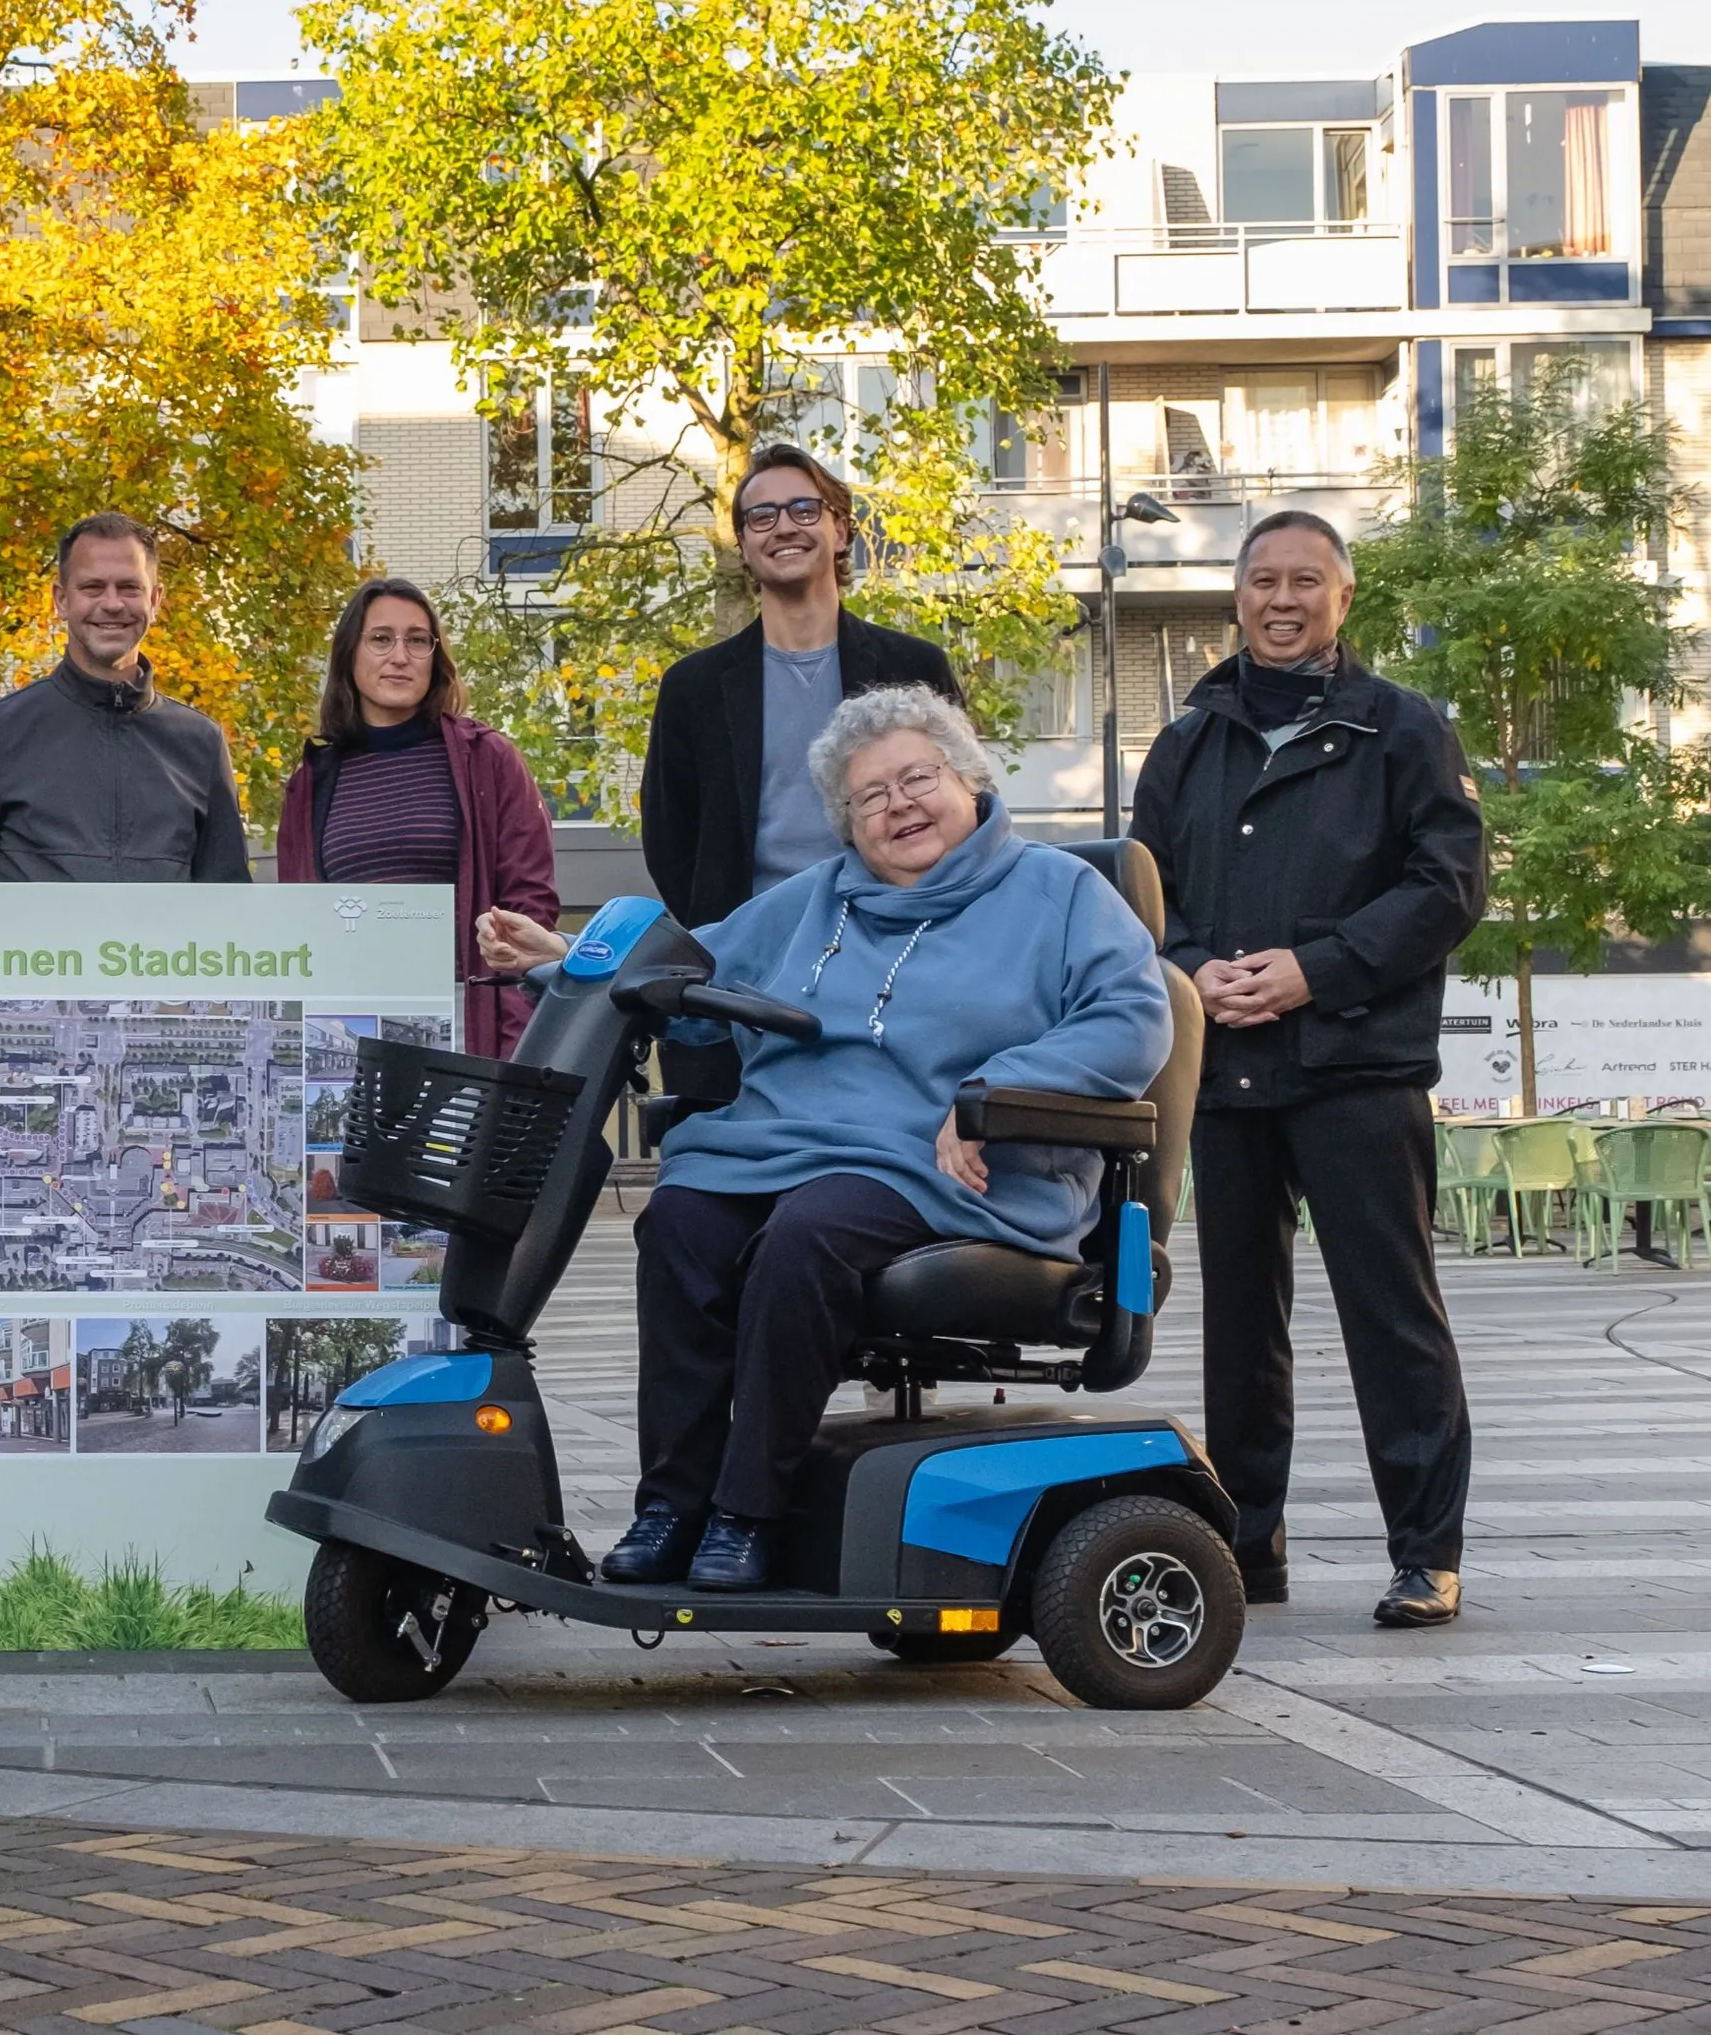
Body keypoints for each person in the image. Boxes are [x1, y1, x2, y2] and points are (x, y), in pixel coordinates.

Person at [482, 686, 1169, 1589]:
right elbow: (683, 972)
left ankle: (746, 1511)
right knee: (680, 1219)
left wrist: (990, 1091)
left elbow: (1131, 1021)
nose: (898, 807)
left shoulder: (1060, 892)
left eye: (916, 778)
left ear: (968, 778)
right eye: (868, 798)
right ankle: (670, 1505)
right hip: (785, 1144)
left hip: (947, 1165)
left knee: (808, 1236)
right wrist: (559, 958)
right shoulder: (816, 899)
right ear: (847, 826)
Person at [1133, 510, 1486, 1629]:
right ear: (1234, 598)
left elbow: (1446, 886)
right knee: (1239, 1323)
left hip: (1358, 1067)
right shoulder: (1188, 738)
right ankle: (1249, 1545)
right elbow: (1144, 892)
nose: (1281, 600)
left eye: (1306, 582)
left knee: (1392, 1315)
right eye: (1262, 582)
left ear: (1344, 599)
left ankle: (1426, 1550)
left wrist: (1314, 972)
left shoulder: (1405, 729)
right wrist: (1197, 970)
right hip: (1225, 1065)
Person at [638, 443, 962, 1106]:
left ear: (839, 528)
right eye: (759, 517)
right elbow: (669, 837)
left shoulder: (914, 669)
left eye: (802, 508)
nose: (782, 527)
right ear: (743, 546)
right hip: (743, 977)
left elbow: (961, 812)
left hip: (891, 964)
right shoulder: (693, 689)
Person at [274, 577, 561, 1057]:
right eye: (381, 639)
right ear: (350, 654)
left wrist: (516, 1049)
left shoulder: (486, 760)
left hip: (464, 1022)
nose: (400, 656)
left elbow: (528, 907)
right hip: (352, 1022)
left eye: (418, 640)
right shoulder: (312, 781)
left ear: (436, 655)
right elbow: (301, 923)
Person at [0, 511, 251, 882]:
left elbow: (228, 906)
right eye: (92, 587)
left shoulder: (201, 743)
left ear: (155, 600)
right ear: (61, 600)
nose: (113, 604)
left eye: (129, 588)